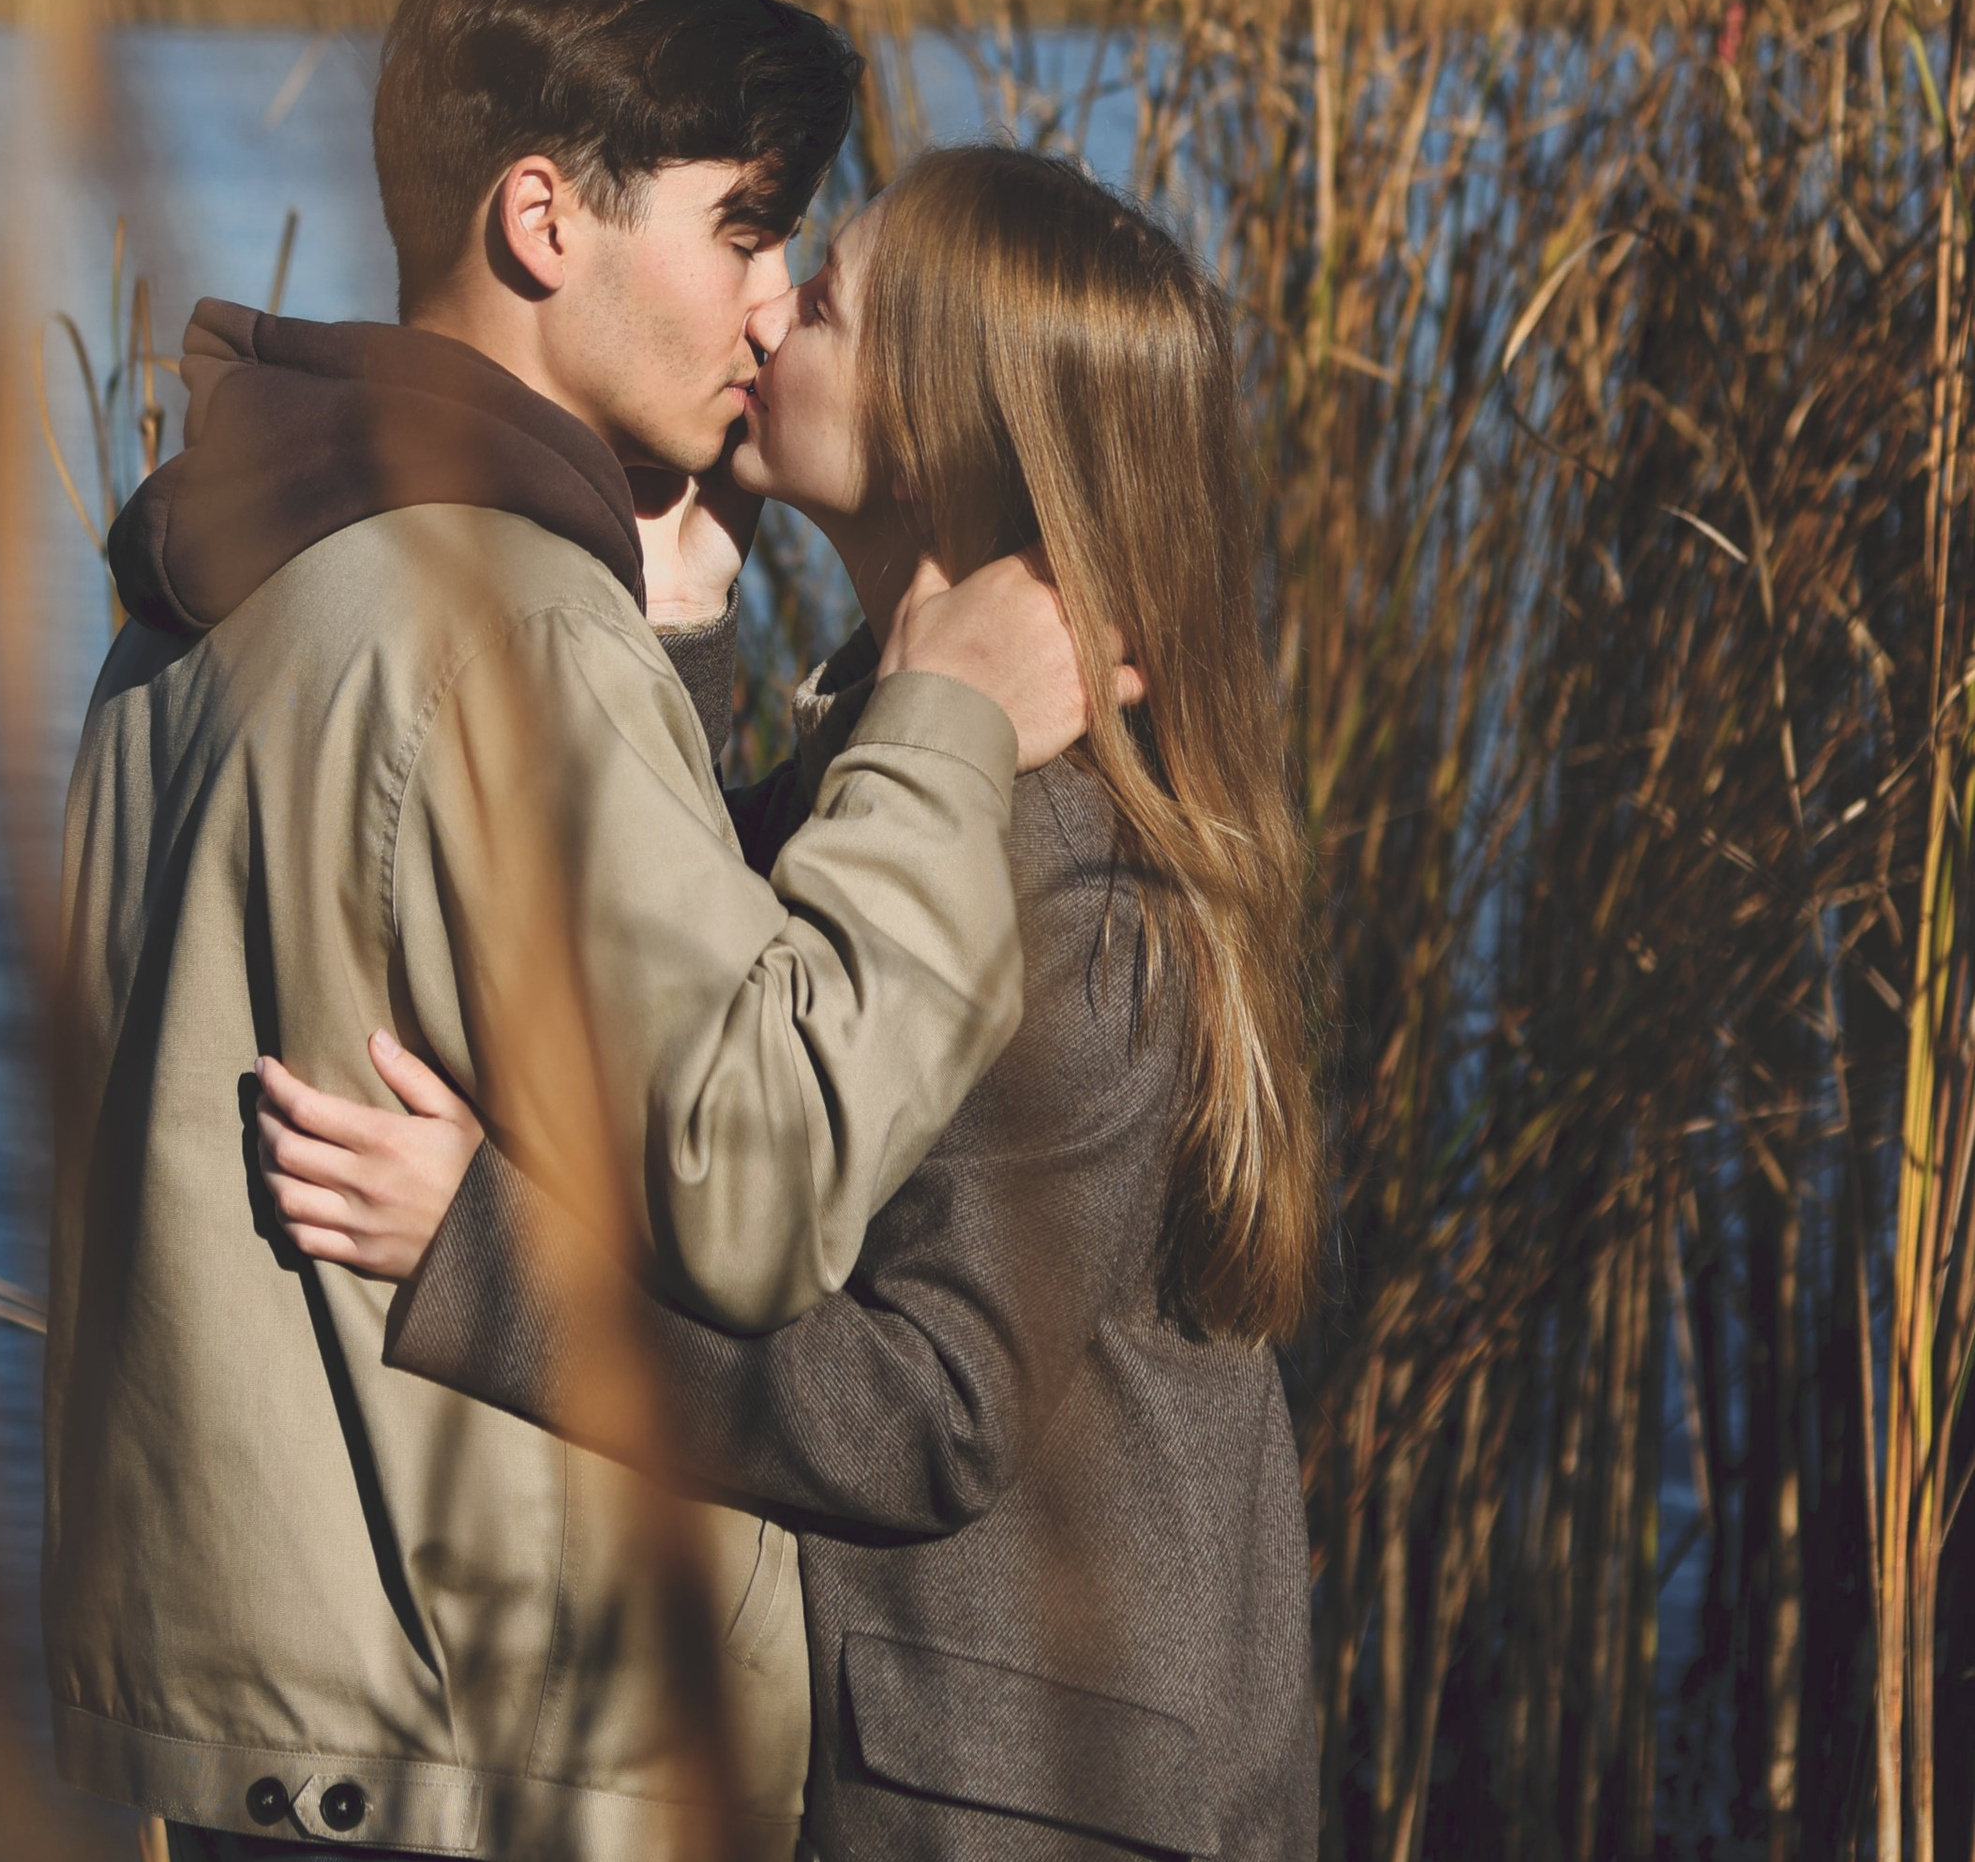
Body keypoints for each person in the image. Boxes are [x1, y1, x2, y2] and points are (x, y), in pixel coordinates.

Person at [45, 0, 1101, 1861]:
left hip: (268, 1716)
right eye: (739, 226)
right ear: (544, 219)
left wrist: (667, 656)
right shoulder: (500, 624)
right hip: (487, 1737)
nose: (772, 303)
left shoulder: (199, 593)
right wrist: (939, 729)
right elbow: (756, 1174)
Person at [256, 144, 1327, 1860]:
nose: (764, 306)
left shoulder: (1068, 859)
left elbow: (931, 1408)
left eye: (819, 300)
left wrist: (483, 1253)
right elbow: (722, 1006)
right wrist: (682, 616)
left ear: (950, 423)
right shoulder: (906, 756)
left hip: (1022, 1792)